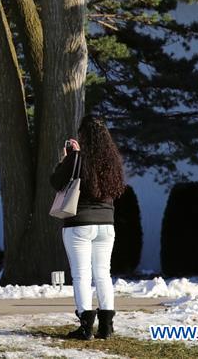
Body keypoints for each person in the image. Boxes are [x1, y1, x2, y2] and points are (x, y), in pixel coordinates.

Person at [50, 115, 126, 340]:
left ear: (83, 135)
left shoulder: (76, 158)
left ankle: (85, 327)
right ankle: (107, 327)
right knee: (103, 274)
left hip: (79, 225)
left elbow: (56, 182)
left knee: (81, 275)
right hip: (106, 225)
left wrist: (66, 159)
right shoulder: (112, 161)